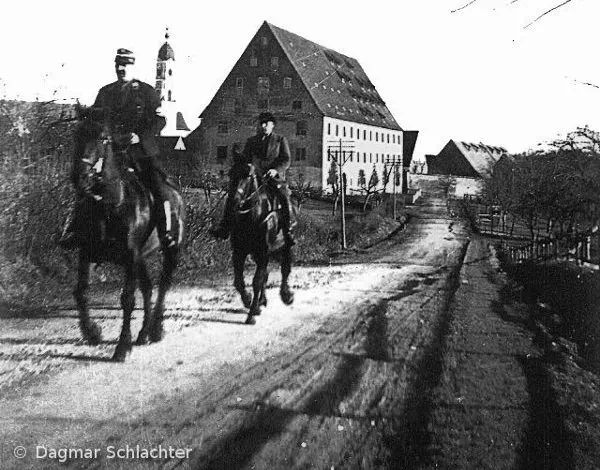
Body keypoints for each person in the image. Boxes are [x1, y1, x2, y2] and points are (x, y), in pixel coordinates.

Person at [60, 48, 175, 248]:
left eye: (125, 65)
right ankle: (77, 231)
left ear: (133, 67)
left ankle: (166, 232)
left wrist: (140, 136)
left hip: (141, 152)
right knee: (86, 184)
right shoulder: (105, 93)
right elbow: (94, 122)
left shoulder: (147, 92)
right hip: (110, 152)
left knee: (158, 186)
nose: (121, 69)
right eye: (118, 65)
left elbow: (160, 121)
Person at [211, 112, 296, 246]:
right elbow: (246, 158)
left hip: (274, 179)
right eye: (261, 123)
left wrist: (275, 170)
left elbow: (286, 160)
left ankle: (288, 230)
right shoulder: (252, 141)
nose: (263, 126)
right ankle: (224, 227)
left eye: (266, 124)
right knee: (234, 196)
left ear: (272, 125)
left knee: (284, 196)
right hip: (255, 177)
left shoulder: (280, 140)